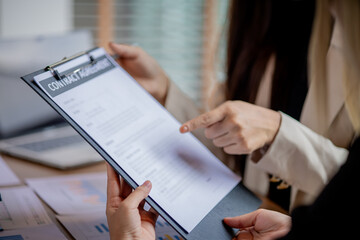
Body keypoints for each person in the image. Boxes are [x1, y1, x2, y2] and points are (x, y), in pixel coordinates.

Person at [106, 0, 360, 238]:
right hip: (247, 224)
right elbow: (231, 156)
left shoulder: (346, 25)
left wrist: (278, 135)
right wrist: (164, 91)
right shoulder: (258, 16)